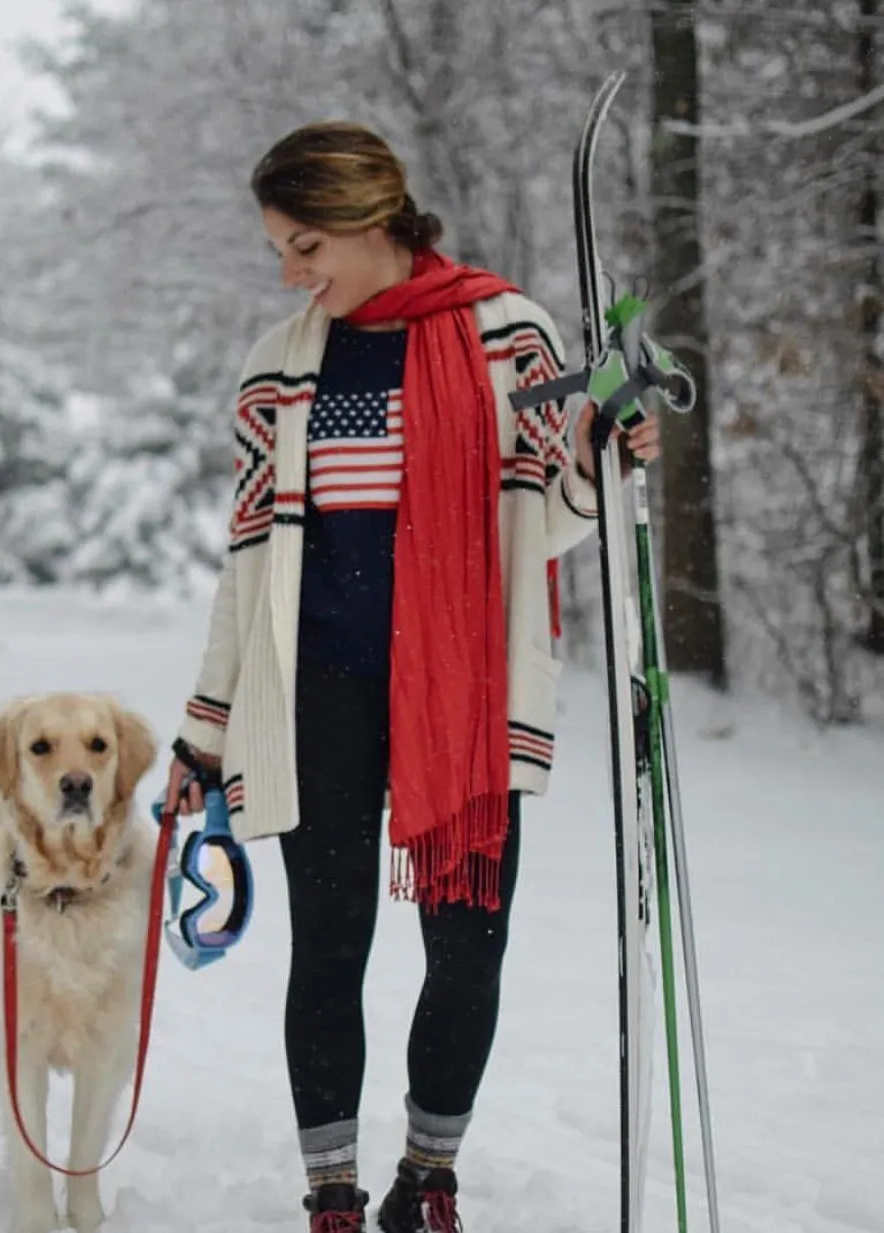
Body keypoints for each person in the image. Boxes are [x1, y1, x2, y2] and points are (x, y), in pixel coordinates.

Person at [161, 122, 660, 1233]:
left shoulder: (507, 338)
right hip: (320, 697)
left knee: (468, 946)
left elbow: (546, 524)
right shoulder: (279, 369)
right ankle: (331, 1194)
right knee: (328, 952)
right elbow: (248, 571)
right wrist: (204, 733)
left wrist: (599, 460)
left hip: (465, 694)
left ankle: (427, 1179)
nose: (291, 275)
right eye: (280, 253)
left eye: (303, 247)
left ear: (368, 220)